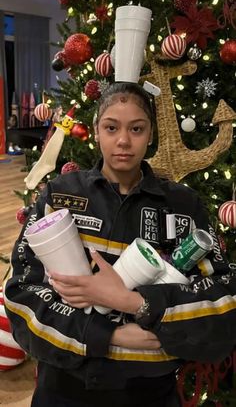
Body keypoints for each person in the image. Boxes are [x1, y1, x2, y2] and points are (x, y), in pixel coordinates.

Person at [4, 82, 236, 407]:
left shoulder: (183, 207)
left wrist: (133, 302)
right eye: (111, 127)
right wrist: (108, 335)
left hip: (149, 394)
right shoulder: (61, 196)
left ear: (151, 134)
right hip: (64, 388)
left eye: (137, 129)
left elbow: (223, 304)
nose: (123, 141)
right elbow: (20, 296)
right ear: (97, 131)